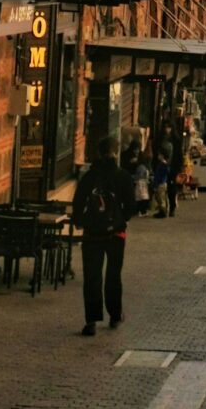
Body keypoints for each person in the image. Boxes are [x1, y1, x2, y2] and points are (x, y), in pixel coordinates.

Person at [72, 138, 135, 336]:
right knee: (113, 276)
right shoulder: (123, 176)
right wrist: (120, 219)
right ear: (116, 153)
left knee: (92, 277)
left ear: (98, 153)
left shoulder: (89, 177)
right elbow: (131, 206)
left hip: (92, 234)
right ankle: (115, 315)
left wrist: (81, 221)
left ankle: (91, 320)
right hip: (115, 233)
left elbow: (78, 203)